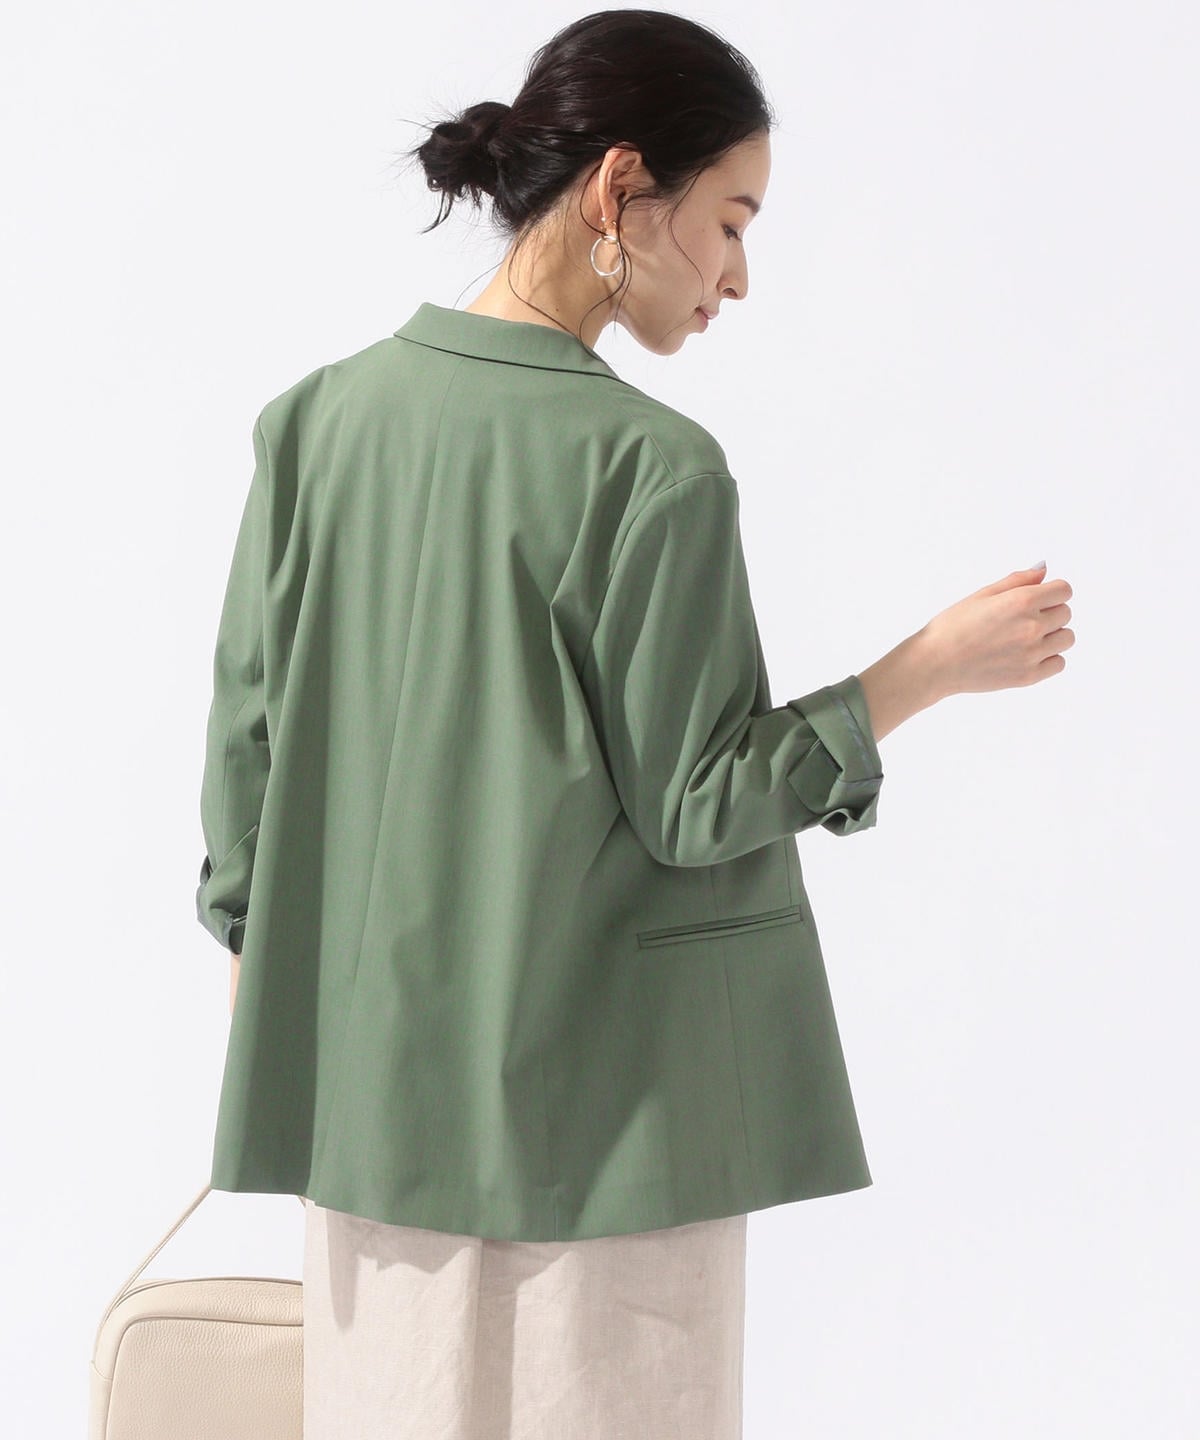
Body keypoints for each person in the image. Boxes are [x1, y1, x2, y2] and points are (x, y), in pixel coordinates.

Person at [197, 10, 1074, 1439]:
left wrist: (287, 991)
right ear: (620, 190)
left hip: (364, 1124)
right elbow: (698, 799)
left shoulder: (317, 424)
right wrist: (922, 671)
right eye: (730, 221)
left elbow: (248, 761)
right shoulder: (650, 469)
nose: (739, 277)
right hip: (607, 1137)